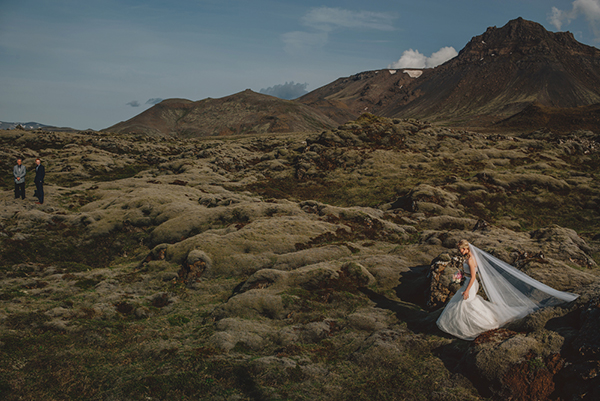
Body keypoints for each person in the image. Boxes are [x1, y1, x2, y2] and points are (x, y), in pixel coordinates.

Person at [436, 239, 579, 340]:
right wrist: (460, 276)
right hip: (466, 282)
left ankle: (479, 325)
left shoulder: (471, 260)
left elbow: (474, 277)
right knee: (467, 304)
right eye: (459, 249)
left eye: (463, 248)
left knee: (466, 302)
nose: (461, 251)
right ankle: (464, 325)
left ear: (467, 248)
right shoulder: (467, 258)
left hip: (471, 285)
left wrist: (467, 289)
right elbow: (468, 275)